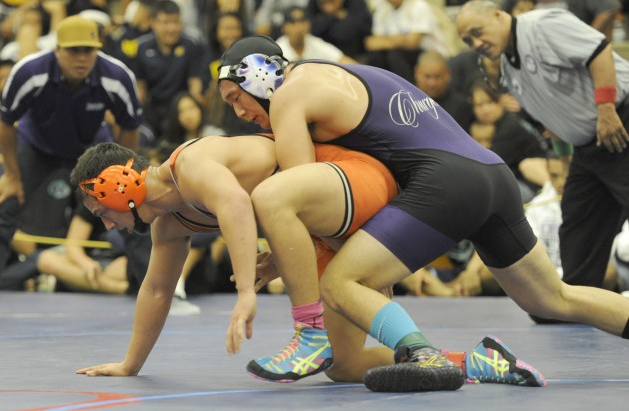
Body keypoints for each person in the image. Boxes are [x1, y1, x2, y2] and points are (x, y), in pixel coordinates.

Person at [217, 33, 629, 393]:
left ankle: (421, 355)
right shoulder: (337, 73)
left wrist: (287, 253)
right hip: (490, 175)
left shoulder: (290, 93)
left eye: (236, 97)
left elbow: (298, 191)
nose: (239, 114)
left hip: (445, 182)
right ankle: (474, 361)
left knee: (341, 283)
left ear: (258, 74)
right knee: (553, 298)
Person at [70, 137, 545, 388]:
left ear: (117, 185)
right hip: (325, 225)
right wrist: (130, 365)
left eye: (100, 212)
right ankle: (478, 362)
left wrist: (245, 294)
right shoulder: (169, 223)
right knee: (344, 363)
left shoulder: (191, 164)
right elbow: (156, 291)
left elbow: (236, 204)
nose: (107, 226)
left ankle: (312, 329)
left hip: (352, 187)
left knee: (341, 293)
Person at [456, 1, 629, 289]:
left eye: (478, 32)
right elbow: (552, 116)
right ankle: (578, 299)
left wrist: (607, 107)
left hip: (619, 120)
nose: (476, 43)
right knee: (578, 220)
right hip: (587, 145)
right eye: (467, 40)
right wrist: (563, 159)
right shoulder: (509, 69)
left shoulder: (542, 25)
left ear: (498, 15)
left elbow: (599, 50)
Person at [0, 15, 141, 275]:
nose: (82, 58)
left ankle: (147, 280)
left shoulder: (117, 77)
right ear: (57, 50)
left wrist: (123, 174)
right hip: (36, 145)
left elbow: (131, 128)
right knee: (5, 199)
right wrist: (12, 175)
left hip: (90, 149)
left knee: (131, 200)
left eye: (88, 50)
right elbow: (6, 123)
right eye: (73, 51)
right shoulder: (29, 72)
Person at [133, 0, 207, 137]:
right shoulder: (142, 47)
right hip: (152, 111)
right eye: (166, 22)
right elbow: (140, 87)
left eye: (175, 22)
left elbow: (195, 85)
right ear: (153, 23)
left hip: (181, 112)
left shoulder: (191, 45)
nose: (172, 28)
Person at [275, 6, 357, 64]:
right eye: (293, 22)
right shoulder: (277, 51)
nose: (299, 27)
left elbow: (343, 60)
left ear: (309, 25)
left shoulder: (314, 43)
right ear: (284, 28)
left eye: (302, 21)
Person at [414, 50, 473, 131]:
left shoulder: (461, 107)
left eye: (437, 76)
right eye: (427, 76)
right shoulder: (404, 103)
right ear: (416, 73)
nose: (432, 83)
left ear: (448, 74)